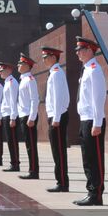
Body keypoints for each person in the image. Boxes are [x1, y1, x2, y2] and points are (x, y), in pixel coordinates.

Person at [74, 36, 107, 206]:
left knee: (95, 159)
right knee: (87, 158)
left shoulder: (94, 70)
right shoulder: (86, 69)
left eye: (80, 50)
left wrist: (97, 123)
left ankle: (96, 194)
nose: (77, 53)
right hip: (85, 119)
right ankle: (91, 191)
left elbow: (98, 98)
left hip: (92, 120)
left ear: (89, 50)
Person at [42, 46, 70, 193]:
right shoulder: (53, 73)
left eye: (46, 57)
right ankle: (60, 181)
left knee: (59, 151)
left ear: (53, 57)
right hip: (55, 116)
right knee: (56, 151)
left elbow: (58, 97)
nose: (44, 60)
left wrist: (56, 118)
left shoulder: (57, 73)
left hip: (57, 116)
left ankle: (62, 183)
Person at [16, 54, 40, 179]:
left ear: (27, 65)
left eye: (20, 64)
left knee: (31, 145)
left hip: (28, 116)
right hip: (23, 115)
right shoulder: (23, 79)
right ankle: (32, 170)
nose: (18, 65)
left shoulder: (30, 79)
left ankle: (34, 171)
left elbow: (34, 99)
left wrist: (31, 117)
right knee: (28, 145)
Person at [0, 62, 21, 171]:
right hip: (6, 114)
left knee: (12, 140)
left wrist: (13, 117)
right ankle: (13, 163)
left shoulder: (12, 82)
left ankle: (15, 164)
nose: (0, 72)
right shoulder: (7, 82)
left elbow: (13, 101)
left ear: (9, 70)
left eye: (2, 70)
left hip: (10, 115)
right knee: (9, 140)